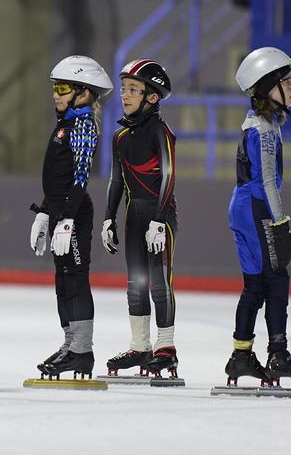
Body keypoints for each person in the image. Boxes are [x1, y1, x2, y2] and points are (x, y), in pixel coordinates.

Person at [224, 47, 291, 386]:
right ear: (268, 88)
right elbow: (266, 183)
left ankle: (241, 354)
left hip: (243, 206)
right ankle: (278, 355)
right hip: (256, 207)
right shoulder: (263, 131)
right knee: (277, 279)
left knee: (255, 284)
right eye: (287, 81)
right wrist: (280, 223)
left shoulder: (259, 125)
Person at [28, 55, 112, 380]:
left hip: (74, 214)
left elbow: (80, 176)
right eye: (54, 88)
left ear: (84, 93)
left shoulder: (82, 124)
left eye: (62, 88)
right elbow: (57, 179)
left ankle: (82, 350)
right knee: (62, 280)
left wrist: (67, 218)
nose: (55, 94)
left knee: (75, 280)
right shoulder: (65, 123)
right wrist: (46, 212)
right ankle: (70, 345)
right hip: (62, 212)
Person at [101, 59, 180, 377]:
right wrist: (108, 217)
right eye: (124, 89)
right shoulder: (120, 138)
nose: (125, 95)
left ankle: (166, 347)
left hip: (160, 216)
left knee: (159, 283)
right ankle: (140, 346)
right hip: (134, 217)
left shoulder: (161, 131)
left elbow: (169, 174)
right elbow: (116, 181)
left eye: (133, 89)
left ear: (153, 96)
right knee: (136, 285)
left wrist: (160, 218)